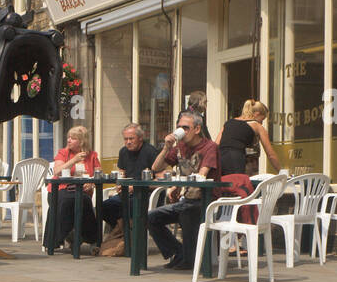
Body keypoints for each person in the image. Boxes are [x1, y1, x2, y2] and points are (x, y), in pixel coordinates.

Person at [147, 111, 219, 269]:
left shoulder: (209, 147)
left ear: (197, 129)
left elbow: (202, 175)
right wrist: (166, 147)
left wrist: (178, 184)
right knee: (151, 217)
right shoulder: (180, 146)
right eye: (179, 127)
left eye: (185, 127)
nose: (181, 131)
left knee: (187, 213)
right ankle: (179, 252)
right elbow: (155, 167)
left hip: (207, 200)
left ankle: (189, 259)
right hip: (187, 200)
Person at [45, 125, 101, 251]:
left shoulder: (92, 155)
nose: (69, 140)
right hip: (60, 189)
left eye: (73, 138)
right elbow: (57, 171)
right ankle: (62, 237)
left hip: (82, 192)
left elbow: (98, 173)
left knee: (83, 201)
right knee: (69, 201)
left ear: (82, 141)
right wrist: (73, 160)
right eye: (68, 137)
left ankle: (85, 238)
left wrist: (91, 183)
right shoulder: (63, 153)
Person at [100, 123, 161, 233]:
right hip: (126, 194)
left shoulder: (150, 152)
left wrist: (137, 187)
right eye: (126, 139)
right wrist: (119, 185)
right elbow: (122, 173)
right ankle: (124, 233)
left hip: (146, 195)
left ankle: (131, 234)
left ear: (140, 138)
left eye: (131, 139)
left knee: (128, 207)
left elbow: (161, 181)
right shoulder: (123, 151)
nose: (128, 142)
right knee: (103, 207)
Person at [215, 99, 280, 176]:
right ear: (256, 114)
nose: (262, 123)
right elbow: (270, 154)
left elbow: (216, 143)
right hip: (236, 158)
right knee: (237, 185)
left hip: (220, 158)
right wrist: (281, 172)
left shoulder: (229, 122)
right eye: (262, 119)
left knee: (222, 186)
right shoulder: (257, 126)